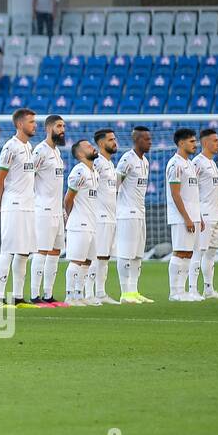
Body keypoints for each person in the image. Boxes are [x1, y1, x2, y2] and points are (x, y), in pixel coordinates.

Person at [0, 107, 38, 305]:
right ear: (20, 124)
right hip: (13, 204)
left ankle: (17, 296)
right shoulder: (10, 147)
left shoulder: (28, 147)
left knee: (24, 251)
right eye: (31, 122)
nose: (34, 125)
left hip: (28, 206)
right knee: (8, 250)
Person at [31, 114, 68, 305]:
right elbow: (29, 176)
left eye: (63, 126)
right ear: (48, 128)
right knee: (41, 251)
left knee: (55, 251)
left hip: (56, 211)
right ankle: (34, 294)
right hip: (43, 209)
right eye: (59, 126)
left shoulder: (57, 153)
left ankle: (48, 294)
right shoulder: (40, 151)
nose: (62, 130)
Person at [188, 128, 218, 300]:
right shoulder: (197, 163)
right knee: (198, 251)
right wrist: (195, 214)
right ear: (205, 143)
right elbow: (190, 189)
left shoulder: (212, 163)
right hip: (203, 214)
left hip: (215, 214)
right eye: (215, 140)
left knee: (211, 253)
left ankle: (208, 289)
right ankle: (191, 289)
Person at [115, 125, 153, 303]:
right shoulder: (126, 160)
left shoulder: (145, 161)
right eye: (146, 139)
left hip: (140, 212)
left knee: (138, 255)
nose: (150, 142)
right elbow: (114, 185)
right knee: (126, 253)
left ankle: (134, 290)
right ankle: (125, 293)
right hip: (127, 213)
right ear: (137, 140)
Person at [166, 128, 204, 302]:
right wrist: (187, 218)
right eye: (191, 141)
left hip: (193, 216)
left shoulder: (189, 164)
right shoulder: (176, 164)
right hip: (182, 217)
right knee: (180, 252)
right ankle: (175, 292)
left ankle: (182, 291)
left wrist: (199, 217)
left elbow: (193, 193)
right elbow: (175, 194)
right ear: (181, 143)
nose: (195, 144)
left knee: (188, 254)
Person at [62, 140, 101, 307]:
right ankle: (69, 296)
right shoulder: (79, 171)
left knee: (87, 261)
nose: (93, 147)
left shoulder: (95, 173)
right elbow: (68, 198)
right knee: (76, 261)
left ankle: (79, 294)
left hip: (92, 222)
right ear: (79, 154)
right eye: (87, 146)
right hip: (79, 223)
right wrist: (73, 216)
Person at [89, 128, 121, 304]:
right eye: (111, 140)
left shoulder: (110, 164)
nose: (115, 142)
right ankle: (88, 293)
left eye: (114, 139)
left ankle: (100, 292)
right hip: (99, 216)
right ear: (101, 143)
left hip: (110, 216)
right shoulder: (98, 163)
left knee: (105, 257)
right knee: (96, 256)